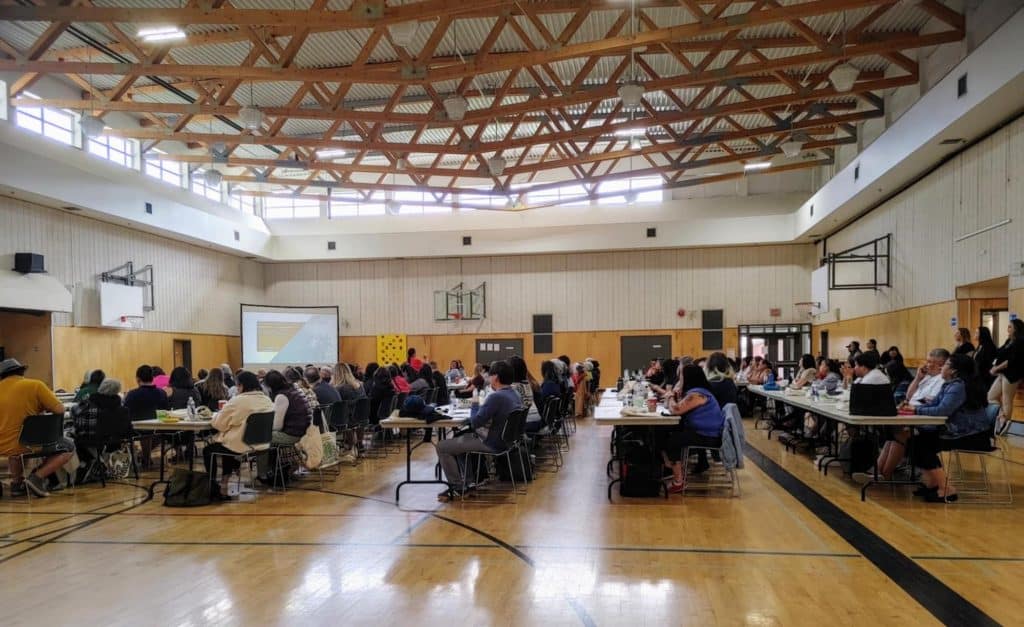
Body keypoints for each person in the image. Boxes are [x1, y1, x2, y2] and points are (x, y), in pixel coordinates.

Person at [910, 354, 994, 502]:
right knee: (916, 441)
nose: (942, 367)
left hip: (972, 436)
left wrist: (916, 411)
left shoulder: (958, 386)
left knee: (922, 445)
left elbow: (942, 410)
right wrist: (913, 408)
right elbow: (934, 405)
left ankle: (946, 489)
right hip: (961, 431)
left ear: (954, 370)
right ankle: (934, 484)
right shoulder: (950, 384)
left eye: (946, 364)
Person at [435, 360, 523, 500]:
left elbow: (475, 422)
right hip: (508, 442)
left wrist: (475, 402)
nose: (488, 378)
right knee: (461, 437)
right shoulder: (515, 394)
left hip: (492, 443)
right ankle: (469, 483)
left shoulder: (497, 397)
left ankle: (457, 487)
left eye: (490, 375)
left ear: (495, 377)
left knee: (442, 446)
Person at [0, 359, 74, 498]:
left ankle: (16, 485)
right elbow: (60, 409)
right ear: (22, 372)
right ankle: (37, 477)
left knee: (15, 449)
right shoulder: (35, 385)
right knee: (68, 446)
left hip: (3, 445)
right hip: (28, 444)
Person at [203, 371, 275, 494]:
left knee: (209, 450)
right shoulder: (267, 400)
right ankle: (224, 481)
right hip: (262, 444)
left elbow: (219, 424)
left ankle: (213, 483)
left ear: (241, 385)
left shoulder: (237, 401)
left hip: (242, 445)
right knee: (227, 445)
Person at [659, 365, 724, 494]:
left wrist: (671, 396)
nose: (679, 379)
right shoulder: (697, 391)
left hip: (708, 436)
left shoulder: (697, 394)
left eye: (681, 376)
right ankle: (672, 466)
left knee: (673, 440)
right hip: (704, 433)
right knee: (663, 432)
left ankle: (678, 481)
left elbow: (676, 410)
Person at [257, 370, 311, 481]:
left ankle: (262, 475)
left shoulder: (281, 396)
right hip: (304, 431)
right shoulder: (295, 390)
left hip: (293, 434)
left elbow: (277, 426)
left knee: (261, 438)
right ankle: (274, 470)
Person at [71, 378, 126, 475]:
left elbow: (74, 413)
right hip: (107, 440)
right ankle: (103, 464)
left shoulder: (87, 401)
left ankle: (91, 463)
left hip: (84, 438)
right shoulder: (118, 407)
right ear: (117, 391)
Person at [990, 319, 1024, 435]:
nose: (1007, 329)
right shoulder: (1009, 340)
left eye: (1010, 327)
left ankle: (1005, 423)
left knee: (1007, 400)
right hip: (1003, 373)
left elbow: (1011, 361)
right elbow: (1000, 353)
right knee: (991, 396)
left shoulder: (1020, 341)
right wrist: (994, 366)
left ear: (1016, 329)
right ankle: (1001, 416)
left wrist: (997, 368)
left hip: (1012, 374)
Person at [973, 326, 998, 390]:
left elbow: (989, 363)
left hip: (985, 377)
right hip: (979, 376)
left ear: (982, 335)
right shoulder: (980, 345)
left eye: (976, 333)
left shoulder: (989, 347)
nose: (974, 334)